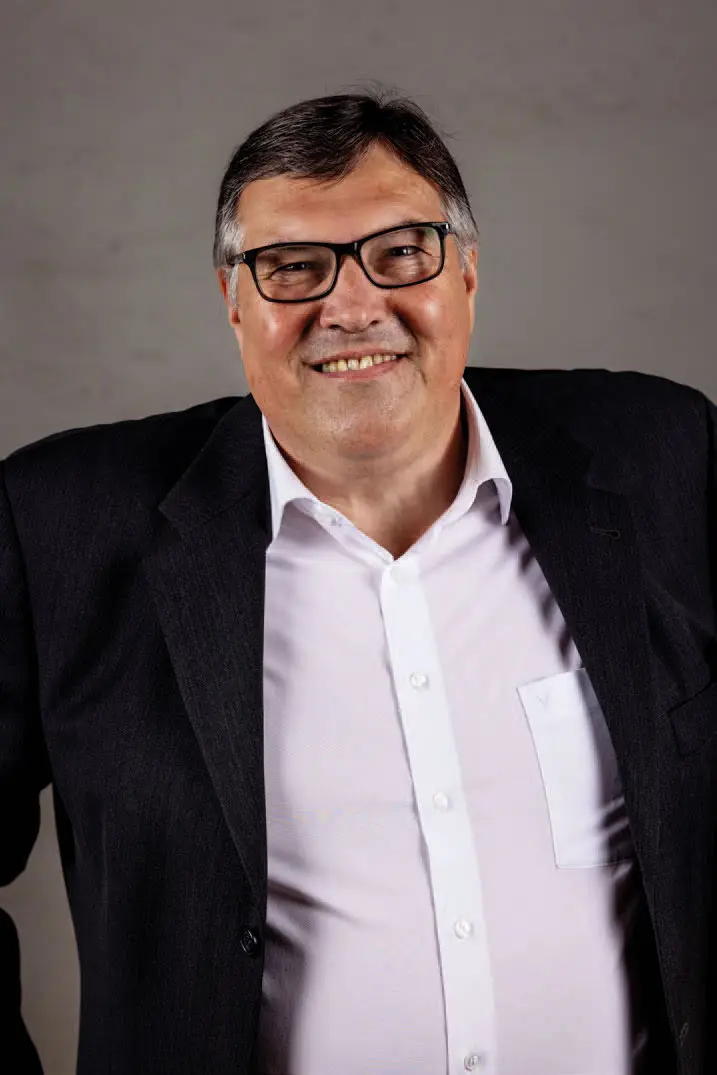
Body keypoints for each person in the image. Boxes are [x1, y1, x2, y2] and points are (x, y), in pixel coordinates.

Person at [0, 90, 715, 1075]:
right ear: (234, 302)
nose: (349, 305)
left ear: (467, 272)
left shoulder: (664, 459)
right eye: (293, 265)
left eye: (401, 252)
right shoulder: (60, 526)